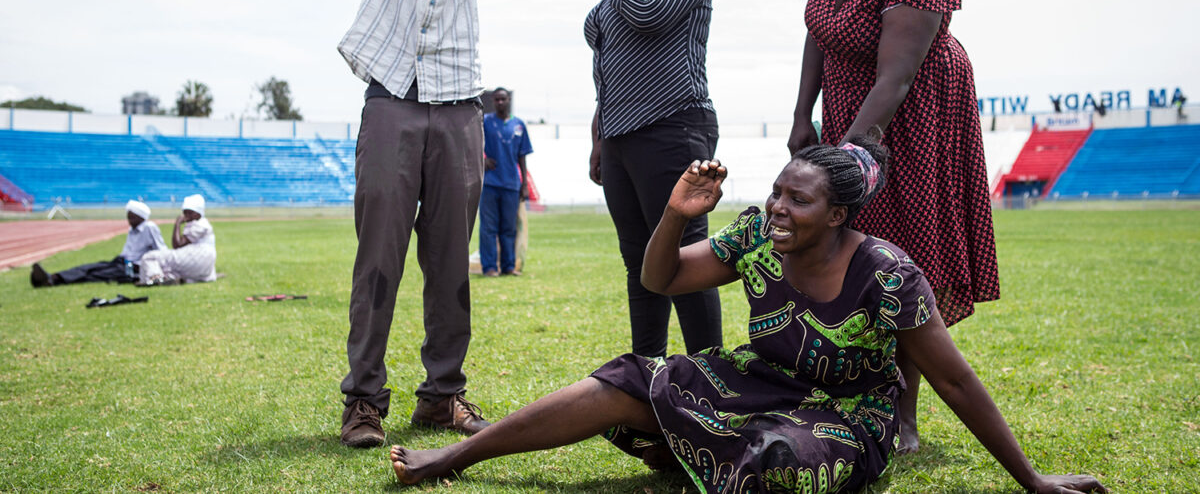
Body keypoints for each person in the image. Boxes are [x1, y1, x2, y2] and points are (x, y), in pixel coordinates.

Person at [385, 140, 1106, 494]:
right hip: (756, 382)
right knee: (631, 377)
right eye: (776, 193)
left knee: (776, 458)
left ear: (840, 214)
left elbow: (954, 382)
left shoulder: (889, 274)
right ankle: (456, 457)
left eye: (799, 200)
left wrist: (1033, 480)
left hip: (845, 413)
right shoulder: (758, 236)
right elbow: (659, 276)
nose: (779, 209)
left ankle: (689, 449)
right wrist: (675, 212)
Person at [777, 0, 999, 453]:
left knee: (902, 253)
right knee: (848, 241)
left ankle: (904, 412)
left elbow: (896, 76)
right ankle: (859, 389)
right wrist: (803, 115)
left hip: (914, 111)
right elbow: (819, 26)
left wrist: (839, 159)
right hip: (849, 96)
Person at [334, 0, 517, 448]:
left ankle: (442, 397)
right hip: (393, 103)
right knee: (378, 259)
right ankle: (364, 401)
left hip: (461, 109)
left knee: (449, 263)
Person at [584, 0, 722, 359]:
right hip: (622, 134)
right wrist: (602, 137)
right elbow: (611, 62)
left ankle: (712, 379)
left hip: (672, 125)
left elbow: (648, 14)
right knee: (640, 262)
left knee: (683, 256)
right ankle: (647, 372)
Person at [30, 200, 165, 287]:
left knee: (94, 275)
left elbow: (161, 250)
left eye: (132, 216)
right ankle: (52, 277)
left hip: (131, 268)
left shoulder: (149, 227)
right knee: (88, 267)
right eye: (128, 216)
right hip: (120, 261)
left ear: (141, 217)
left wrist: (147, 268)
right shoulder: (132, 229)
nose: (129, 219)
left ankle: (53, 280)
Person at [479, 87, 532, 277]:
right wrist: (482, 159)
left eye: (503, 99)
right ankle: (490, 267)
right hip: (490, 184)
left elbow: (522, 156)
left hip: (511, 184)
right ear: (493, 102)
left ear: (509, 100)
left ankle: (509, 266)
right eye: (497, 100)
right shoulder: (485, 122)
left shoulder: (519, 125)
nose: (500, 102)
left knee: (509, 228)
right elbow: (473, 144)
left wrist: (524, 184)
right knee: (488, 228)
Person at [137, 195, 217, 285]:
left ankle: (156, 278)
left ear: (198, 213)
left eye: (189, 213)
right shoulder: (202, 223)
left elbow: (177, 245)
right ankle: (170, 278)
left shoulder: (199, 224)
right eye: (185, 213)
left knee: (149, 257)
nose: (186, 216)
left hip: (196, 259)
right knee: (168, 265)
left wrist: (177, 224)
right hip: (204, 267)